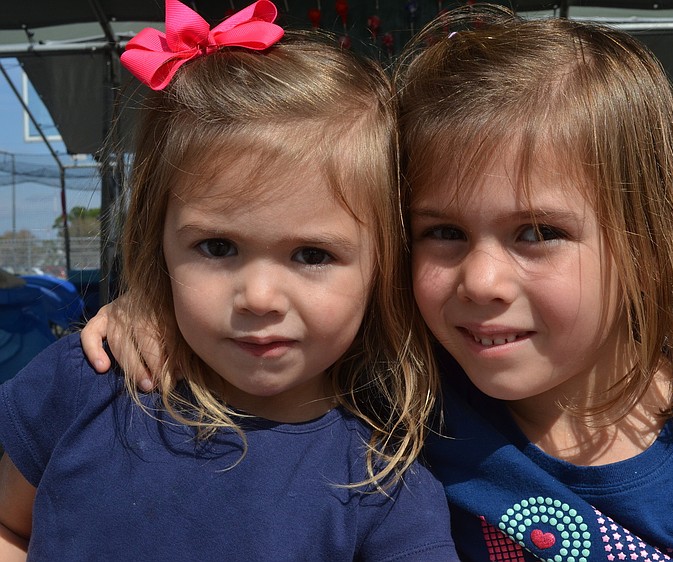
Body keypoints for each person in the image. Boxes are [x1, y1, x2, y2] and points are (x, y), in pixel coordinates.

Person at [80, 5, 673, 561]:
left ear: (653, 245)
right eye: (441, 232)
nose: (479, 279)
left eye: (538, 233)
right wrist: (155, 311)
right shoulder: (403, 400)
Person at [0, 1, 459, 560]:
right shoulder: (88, 381)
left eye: (312, 255)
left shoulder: (383, 485)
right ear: (157, 242)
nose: (259, 297)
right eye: (217, 247)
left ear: (384, 266)